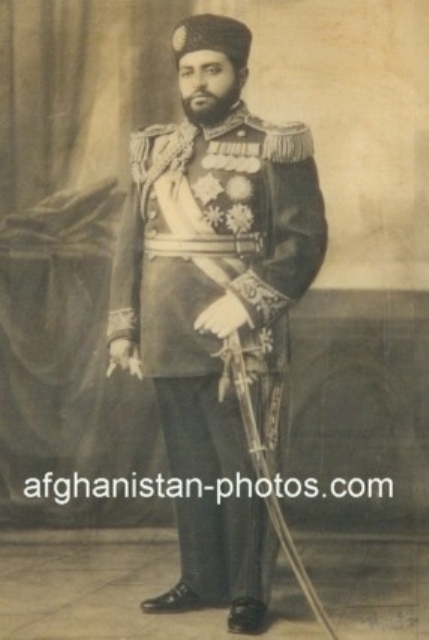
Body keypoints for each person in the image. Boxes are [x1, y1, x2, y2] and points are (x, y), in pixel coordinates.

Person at [107, 13, 327, 635]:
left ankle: (247, 591)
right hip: (167, 336)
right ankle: (201, 577)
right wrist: (124, 328)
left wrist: (248, 302)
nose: (198, 83)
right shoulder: (156, 149)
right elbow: (130, 246)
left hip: (239, 338)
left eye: (212, 70)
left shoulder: (274, 145)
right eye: (188, 72)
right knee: (191, 468)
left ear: (241, 75)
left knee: (244, 467)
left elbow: (304, 242)